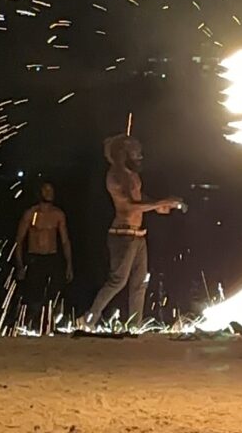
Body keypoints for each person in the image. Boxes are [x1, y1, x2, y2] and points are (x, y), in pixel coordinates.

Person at [86, 134, 183, 328]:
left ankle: (135, 326)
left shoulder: (132, 175)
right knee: (118, 281)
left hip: (138, 235)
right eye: (135, 152)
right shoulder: (114, 176)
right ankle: (88, 319)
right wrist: (160, 203)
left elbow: (140, 197)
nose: (140, 156)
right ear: (123, 154)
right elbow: (129, 206)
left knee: (140, 283)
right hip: (122, 235)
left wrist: (158, 206)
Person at [15, 181, 72, 330]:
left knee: (53, 292)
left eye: (51, 190)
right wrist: (20, 265)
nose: (49, 193)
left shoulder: (58, 214)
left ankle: (49, 323)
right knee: (35, 293)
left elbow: (65, 241)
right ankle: (31, 323)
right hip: (35, 258)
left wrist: (69, 264)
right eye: (46, 190)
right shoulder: (31, 214)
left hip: (52, 257)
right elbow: (19, 241)